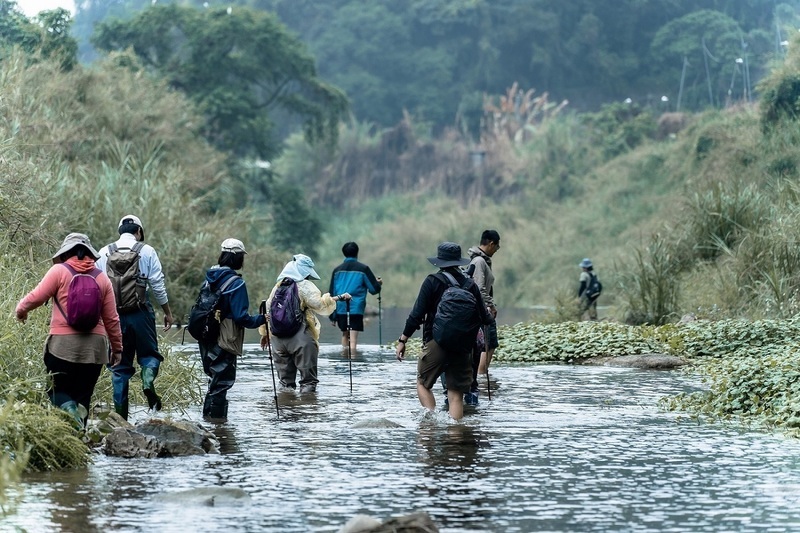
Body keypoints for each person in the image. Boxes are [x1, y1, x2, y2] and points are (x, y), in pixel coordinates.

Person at [15, 233, 123, 428]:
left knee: (56, 391)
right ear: (89, 254)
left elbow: (36, 297)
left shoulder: (59, 271)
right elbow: (112, 319)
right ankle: (80, 436)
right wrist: (117, 349)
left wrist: (21, 310)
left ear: (65, 253)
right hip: (95, 349)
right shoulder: (102, 278)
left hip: (62, 346)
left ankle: (69, 413)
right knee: (83, 397)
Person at [395, 242, 492, 420]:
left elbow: (416, 314)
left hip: (436, 342)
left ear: (439, 261)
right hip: (463, 347)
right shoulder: (470, 284)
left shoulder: (432, 281)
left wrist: (403, 340)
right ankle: (456, 431)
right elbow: (485, 319)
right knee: (456, 395)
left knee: (423, 383)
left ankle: (432, 421)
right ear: (458, 261)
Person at [96, 215, 174, 420]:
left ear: (120, 231)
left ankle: (121, 420)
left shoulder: (104, 252)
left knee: (119, 366)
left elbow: (99, 287)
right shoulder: (147, 251)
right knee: (149, 355)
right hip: (141, 313)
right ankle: (147, 382)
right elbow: (157, 285)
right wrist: (167, 312)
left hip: (114, 316)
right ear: (138, 231)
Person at [260, 254, 350, 393]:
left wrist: (265, 334)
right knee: (308, 382)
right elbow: (319, 304)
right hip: (300, 338)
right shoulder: (304, 286)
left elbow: (267, 309)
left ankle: (286, 405)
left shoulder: (278, 286)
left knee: (285, 385)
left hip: (278, 340)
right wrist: (339, 297)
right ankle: (307, 405)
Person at [198, 238, 266, 421]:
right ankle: (218, 424)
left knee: (213, 379)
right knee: (222, 382)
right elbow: (241, 317)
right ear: (237, 258)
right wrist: (262, 319)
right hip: (225, 337)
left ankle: (208, 423)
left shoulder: (208, 279)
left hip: (205, 335)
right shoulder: (236, 283)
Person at [329, 242, 382, 354]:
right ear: (357, 252)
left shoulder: (337, 270)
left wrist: (332, 315)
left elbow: (332, 293)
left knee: (345, 334)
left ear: (344, 253)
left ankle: (344, 357)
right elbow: (374, 289)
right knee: (353, 338)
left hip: (341, 308)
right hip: (356, 308)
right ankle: (354, 358)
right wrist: (378, 284)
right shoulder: (363, 269)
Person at [468, 229, 501, 377]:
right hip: (482, 310)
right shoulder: (479, 261)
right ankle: (481, 376)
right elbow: (479, 288)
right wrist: (491, 306)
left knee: (488, 343)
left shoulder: (480, 260)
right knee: (488, 344)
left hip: (481, 309)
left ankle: (480, 375)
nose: (497, 250)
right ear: (491, 244)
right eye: (497, 246)